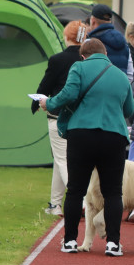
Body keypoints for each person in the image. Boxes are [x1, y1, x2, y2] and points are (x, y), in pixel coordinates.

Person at [39, 38, 134, 257]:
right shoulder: (120, 75)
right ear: (106, 54)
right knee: (113, 193)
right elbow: (129, 108)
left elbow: (69, 94)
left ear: (83, 55)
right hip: (114, 136)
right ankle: (113, 244)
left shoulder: (79, 67)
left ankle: (70, 241)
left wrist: (49, 103)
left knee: (75, 190)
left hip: (81, 134)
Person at [33, 20, 86, 216]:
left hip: (58, 115)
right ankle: (55, 204)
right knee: (59, 158)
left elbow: (45, 85)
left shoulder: (58, 59)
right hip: (81, 117)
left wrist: (35, 102)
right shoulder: (85, 60)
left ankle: (80, 201)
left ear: (66, 37)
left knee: (63, 159)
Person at [86, 4, 129, 75]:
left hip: (99, 85)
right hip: (120, 84)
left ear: (93, 21)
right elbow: (130, 72)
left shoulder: (90, 42)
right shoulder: (124, 41)